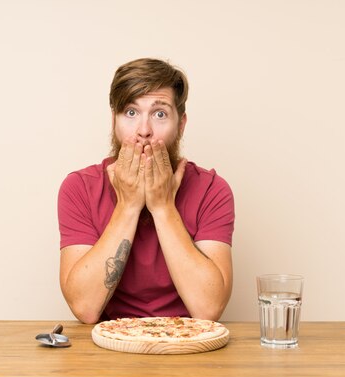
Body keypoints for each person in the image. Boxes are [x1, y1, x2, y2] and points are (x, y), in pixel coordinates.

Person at [57, 58, 235, 324]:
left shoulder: (212, 190)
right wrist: (128, 205)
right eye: (130, 112)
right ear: (114, 121)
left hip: (186, 345)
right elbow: (85, 308)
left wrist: (162, 206)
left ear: (181, 124)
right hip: (107, 346)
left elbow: (208, 309)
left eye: (160, 114)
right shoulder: (79, 188)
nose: (144, 131)